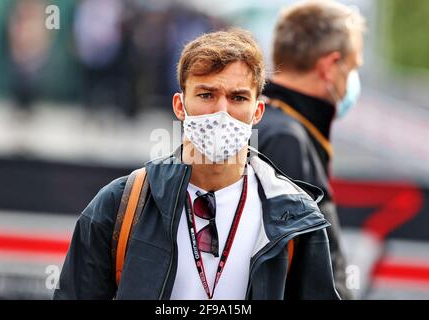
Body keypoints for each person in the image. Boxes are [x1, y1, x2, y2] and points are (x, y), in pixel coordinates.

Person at [53, 29, 340, 300]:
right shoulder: (120, 205)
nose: (221, 112)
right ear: (180, 106)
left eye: (238, 97)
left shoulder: (297, 218)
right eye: (206, 95)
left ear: (258, 111)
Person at [256, 0, 365, 299]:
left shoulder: (267, 121)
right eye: (352, 67)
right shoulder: (286, 138)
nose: (352, 81)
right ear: (330, 66)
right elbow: (304, 273)